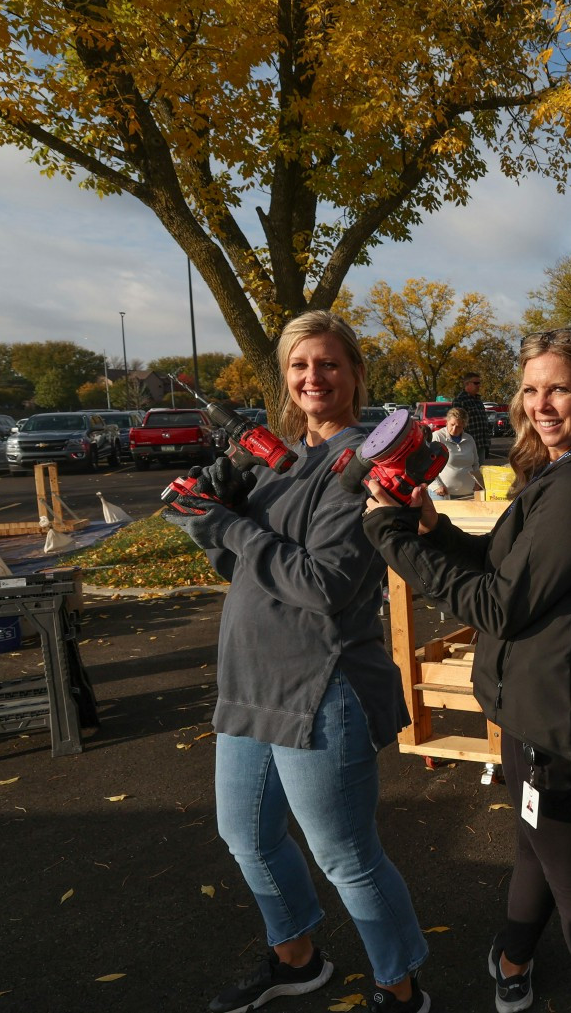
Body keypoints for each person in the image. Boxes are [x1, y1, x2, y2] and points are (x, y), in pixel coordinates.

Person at [363, 326, 571, 1013]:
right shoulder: (560, 471)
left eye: (558, 388)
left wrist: (391, 542)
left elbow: (499, 604)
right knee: (537, 844)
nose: (541, 404)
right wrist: (431, 530)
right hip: (536, 701)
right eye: (530, 389)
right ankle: (513, 955)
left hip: (558, 711)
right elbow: (504, 564)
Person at [165, 310, 432, 1013]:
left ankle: (399, 986)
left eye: (328, 363)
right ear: (284, 378)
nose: (314, 376)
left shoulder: (361, 464)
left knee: (346, 855)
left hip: (321, 685)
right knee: (246, 836)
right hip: (249, 678)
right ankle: (297, 956)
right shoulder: (275, 460)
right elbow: (242, 563)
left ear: (354, 373)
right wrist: (204, 510)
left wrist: (224, 521)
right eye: (299, 365)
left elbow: (323, 584)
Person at [428, 406, 482, 500]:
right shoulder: (437, 437)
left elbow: (475, 463)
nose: (454, 429)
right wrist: (436, 485)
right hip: (443, 493)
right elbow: (428, 465)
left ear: (464, 426)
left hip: (469, 493)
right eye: (452, 424)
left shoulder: (469, 439)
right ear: (447, 422)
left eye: (458, 426)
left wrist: (478, 482)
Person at [451, 371, 494, 463]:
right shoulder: (460, 401)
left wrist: (486, 444)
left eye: (479, 383)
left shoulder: (478, 401)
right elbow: (456, 424)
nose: (478, 385)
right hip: (467, 445)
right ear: (467, 384)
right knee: (468, 473)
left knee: (478, 472)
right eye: (476, 383)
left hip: (481, 444)